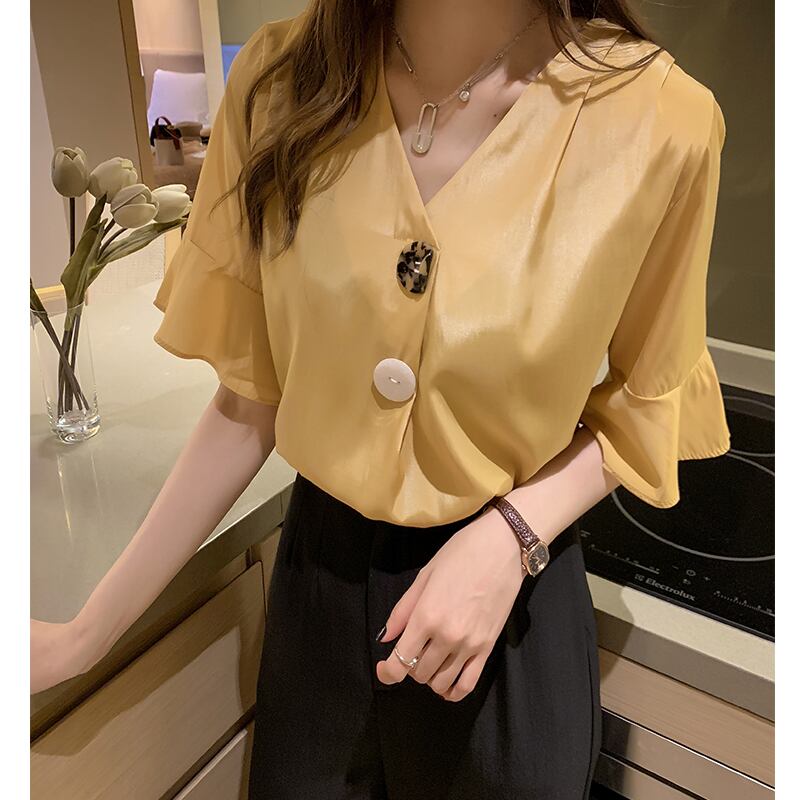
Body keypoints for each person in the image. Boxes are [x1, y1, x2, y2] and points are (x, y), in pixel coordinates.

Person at [31, 1, 731, 798]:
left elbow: (645, 404)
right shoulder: (277, 82)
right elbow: (250, 399)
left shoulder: (661, 120)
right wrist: (85, 638)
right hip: (317, 601)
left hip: (508, 610)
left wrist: (513, 535)